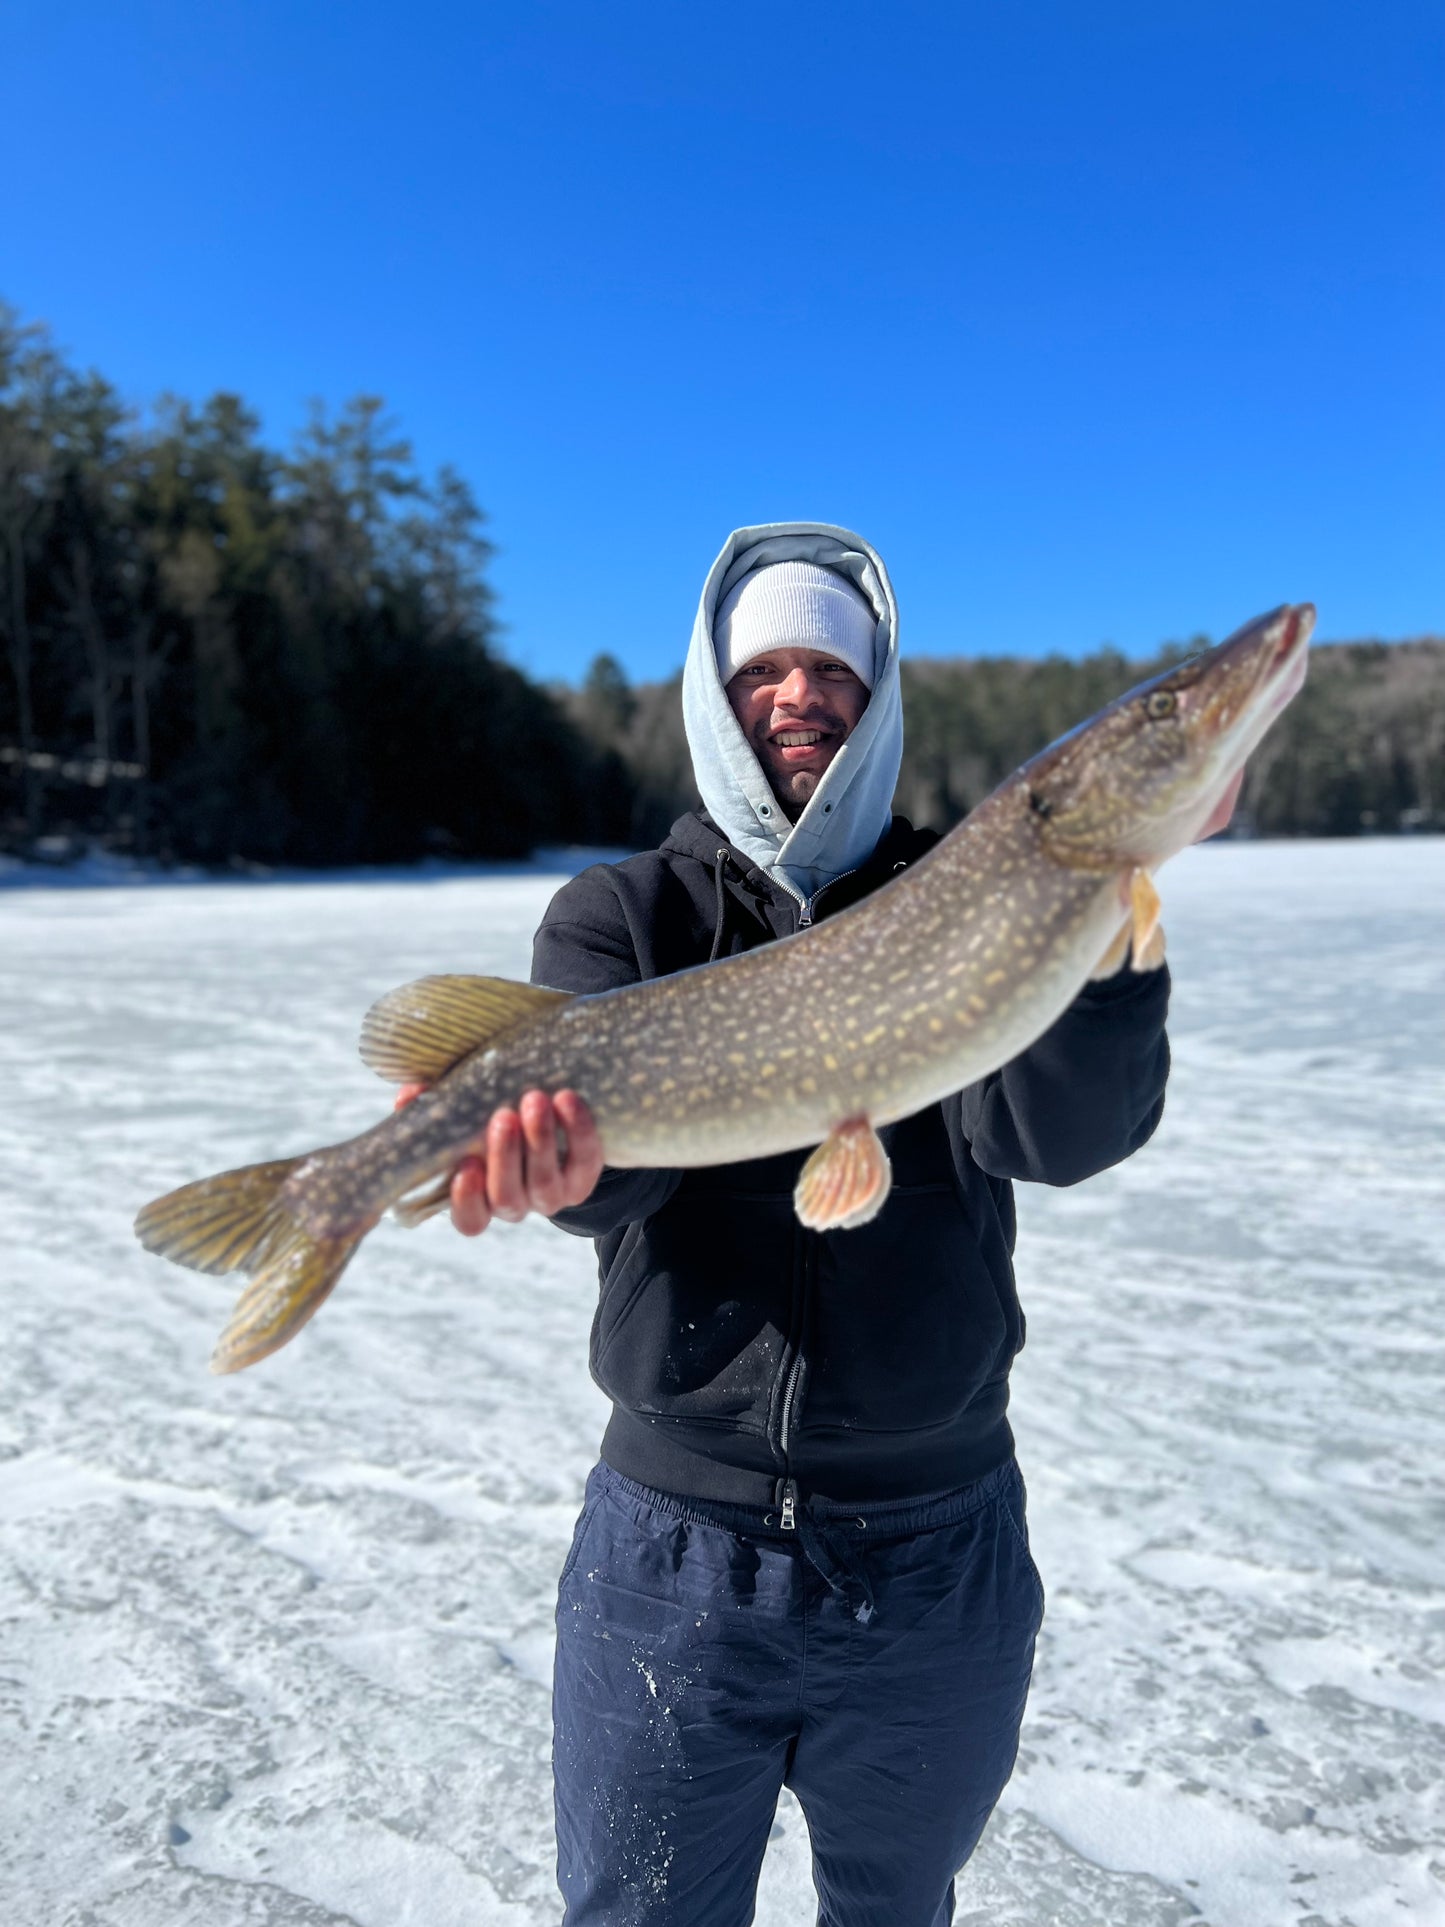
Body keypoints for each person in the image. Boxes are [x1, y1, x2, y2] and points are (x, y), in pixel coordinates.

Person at [406, 523, 1192, 1926]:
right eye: (763, 666)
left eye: (831, 667)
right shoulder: (621, 915)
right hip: (674, 1549)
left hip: (934, 1554)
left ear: (875, 696)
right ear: (716, 693)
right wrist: (555, 1170)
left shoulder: (964, 892)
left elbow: (1050, 1138)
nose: (797, 693)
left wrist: (1109, 935)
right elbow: (618, 1188)